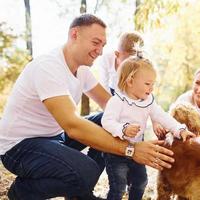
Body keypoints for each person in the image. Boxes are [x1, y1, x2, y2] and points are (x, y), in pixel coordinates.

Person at [0, 14, 174, 200]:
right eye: (95, 42)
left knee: (104, 120)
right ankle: (22, 192)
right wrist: (131, 149)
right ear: (75, 34)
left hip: (53, 137)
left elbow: (112, 104)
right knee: (87, 171)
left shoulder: (82, 70)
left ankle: (77, 192)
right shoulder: (48, 67)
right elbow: (72, 126)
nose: (99, 51)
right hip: (19, 147)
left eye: (103, 45)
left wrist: (151, 112)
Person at [101, 54, 196, 200]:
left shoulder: (148, 102)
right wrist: (123, 129)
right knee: (118, 186)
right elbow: (106, 121)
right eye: (147, 84)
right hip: (116, 153)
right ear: (130, 81)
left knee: (141, 181)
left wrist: (179, 129)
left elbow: (162, 116)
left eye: (153, 84)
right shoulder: (117, 101)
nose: (151, 88)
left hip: (138, 150)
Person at [98, 31, 144, 95]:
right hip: (111, 89)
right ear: (117, 54)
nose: (129, 65)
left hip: (127, 90)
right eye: (126, 61)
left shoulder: (138, 62)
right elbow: (104, 84)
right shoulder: (106, 59)